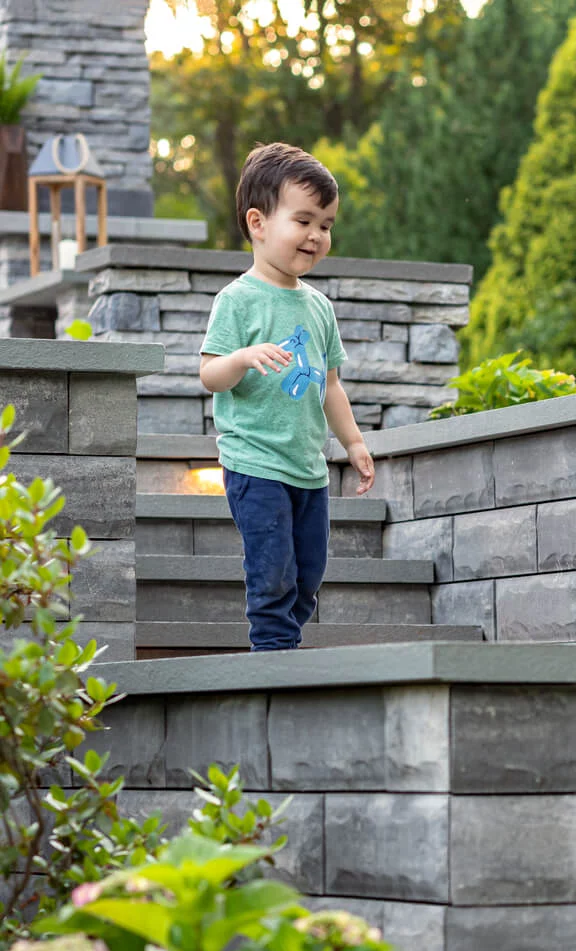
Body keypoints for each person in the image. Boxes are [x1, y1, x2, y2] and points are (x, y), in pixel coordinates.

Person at [199, 142, 375, 651]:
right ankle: (272, 652)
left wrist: (355, 444)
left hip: (309, 468)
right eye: (304, 221)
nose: (317, 236)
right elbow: (210, 375)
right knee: (272, 566)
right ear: (258, 223)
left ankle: (286, 640)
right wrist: (242, 358)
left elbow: (331, 385)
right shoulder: (237, 300)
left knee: (308, 573)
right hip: (254, 463)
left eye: (326, 224)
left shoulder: (319, 308)